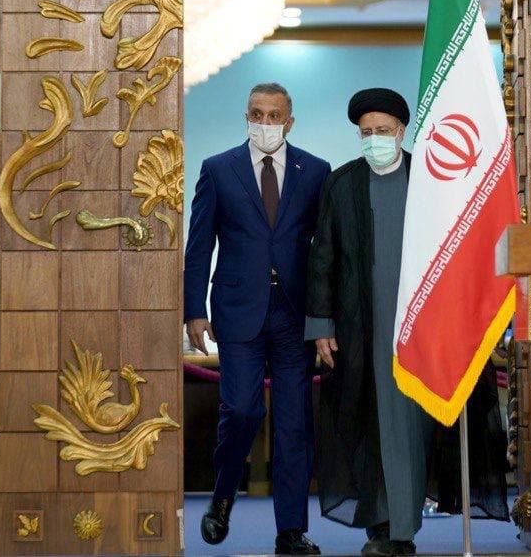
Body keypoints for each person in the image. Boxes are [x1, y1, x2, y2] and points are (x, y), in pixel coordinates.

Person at [305, 88, 508, 557]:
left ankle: (401, 526)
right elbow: (323, 257)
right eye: (367, 132)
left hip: (423, 328)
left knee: (413, 429)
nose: (375, 139)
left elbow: (460, 249)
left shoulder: (430, 180)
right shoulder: (342, 184)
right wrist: (321, 326)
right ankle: (385, 526)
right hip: (363, 329)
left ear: (402, 131)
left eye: (383, 130)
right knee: (374, 424)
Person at [184, 82, 330, 556]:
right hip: (237, 312)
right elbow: (199, 245)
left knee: (294, 424)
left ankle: (291, 531)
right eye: (256, 114)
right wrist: (194, 311)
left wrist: (325, 317)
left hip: (294, 316)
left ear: (290, 122)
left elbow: (325, 251)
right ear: (246, 117)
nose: (264, 123)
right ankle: (223, 495)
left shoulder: (316, 171)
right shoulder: (218, 169)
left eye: (273, 115)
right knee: (242, 410)